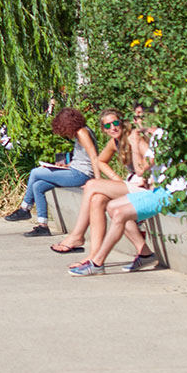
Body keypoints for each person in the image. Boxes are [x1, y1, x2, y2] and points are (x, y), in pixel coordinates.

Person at [52, 111, 139, 261]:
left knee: (92, 185)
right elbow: (100, 161)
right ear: (103, 130)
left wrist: (101, 182)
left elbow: (147, 167)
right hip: (132, 183)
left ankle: (77, 236)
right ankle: (94, 257)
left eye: (116, 123)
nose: (113, 128)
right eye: (108, 126)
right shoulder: (114, 142)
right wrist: (115, 178)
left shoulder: (134, 138)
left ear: (123, 123)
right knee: (97, 199)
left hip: (145, 184)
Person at [3, 108, 101, 236]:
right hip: (74, 170)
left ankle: (25, 208)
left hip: (81, 175)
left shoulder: (83, 133)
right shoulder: (80, 132)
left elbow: (94, 156)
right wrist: (66, 165)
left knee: (35, 172)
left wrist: (97, 181)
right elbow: (83, 158)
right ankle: (43, 225)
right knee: (38, 186)